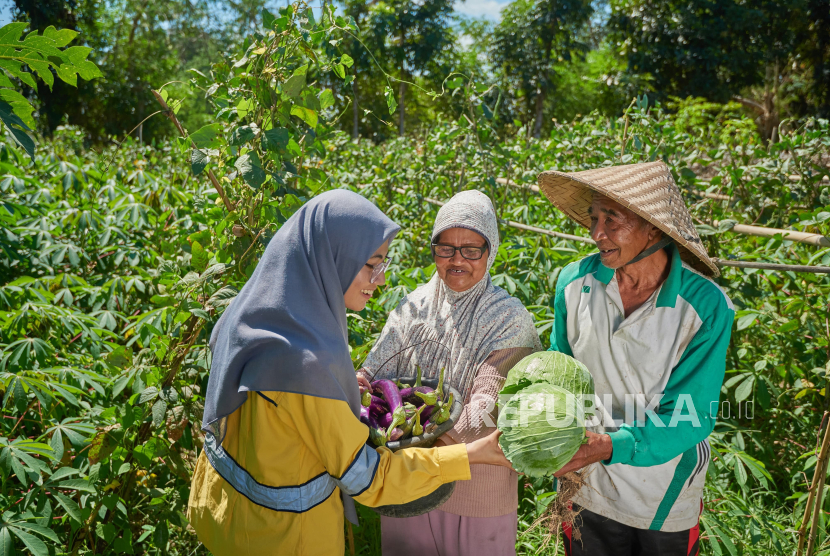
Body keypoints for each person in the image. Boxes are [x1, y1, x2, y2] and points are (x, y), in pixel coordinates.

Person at [187, 190, 512, 556]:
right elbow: (367, 477)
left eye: (384, 264)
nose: (381, 279)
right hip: (282, 537)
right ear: (332, 257)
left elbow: (285, 417)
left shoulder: (255, 314)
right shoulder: (305, 362)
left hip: (227, 513)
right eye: (372, 263)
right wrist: (471, 454)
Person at [536, 161, 735, 556]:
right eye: (594, 218)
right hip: (585, 480)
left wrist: (606, 445)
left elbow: (691, 413)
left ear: (654, 228)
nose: (597, 233)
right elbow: (560, 371)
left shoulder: (705, 307)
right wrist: (542, 432)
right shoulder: (574, 284)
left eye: (613, 219)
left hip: (662, 489)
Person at [357, 190, 542, 556]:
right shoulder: (413, 307)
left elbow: (486, 408)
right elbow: (374, 372)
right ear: (434, 250)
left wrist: (409, 443)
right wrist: (360, 381)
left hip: (474, 491)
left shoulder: (509, 317)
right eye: (446, 248)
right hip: (408, 486)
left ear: (490, 252)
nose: (458, 260)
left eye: (472, 249)